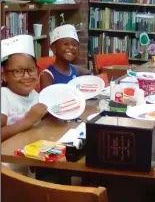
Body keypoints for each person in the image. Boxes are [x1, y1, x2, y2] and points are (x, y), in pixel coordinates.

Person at [1, 35, 48, 176]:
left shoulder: (35, 95)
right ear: (3, 76)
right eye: (18, 71)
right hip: (6, 171)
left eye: (31, 70)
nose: (27, 76)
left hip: (29, 162)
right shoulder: (4, 95)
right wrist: (28, 120)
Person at [39, 24, 91, 90]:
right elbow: (46, 98)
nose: (71, 47)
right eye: (66, 44)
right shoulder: (47, 75)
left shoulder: (74, 69)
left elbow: (89, 73)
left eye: (74, 45)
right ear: (54, 48)